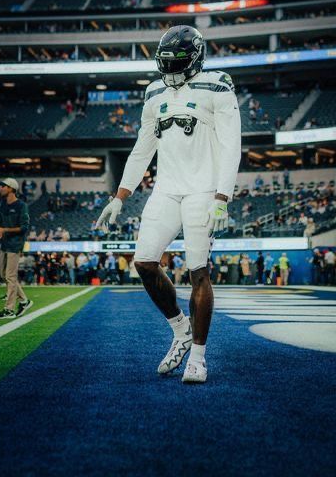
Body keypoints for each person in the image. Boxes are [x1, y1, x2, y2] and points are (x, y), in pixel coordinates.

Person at [97, 25, 241, 383]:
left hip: (203, 190)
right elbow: (143, 147)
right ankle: (180, 329)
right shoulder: (154, 91)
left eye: (177, 61)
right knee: (144, 263)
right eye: (166, 62)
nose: (171, 68)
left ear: (195, 59)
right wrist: (120, 195)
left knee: (198, 271)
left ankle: (199, 356)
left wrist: (222, 197)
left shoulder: (218, 85)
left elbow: (231, 145)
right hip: (167, 189)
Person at [0, 178, 33, 319]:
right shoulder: (2, 204)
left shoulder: (21, 206)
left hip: (15, 244)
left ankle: (9, 309)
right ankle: (25, 301)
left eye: (3, 186)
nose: (1, 188)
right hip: (4, 243)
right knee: (4, 275)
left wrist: (5, 230)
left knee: (10, 276)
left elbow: (24, 227)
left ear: (11, 188)